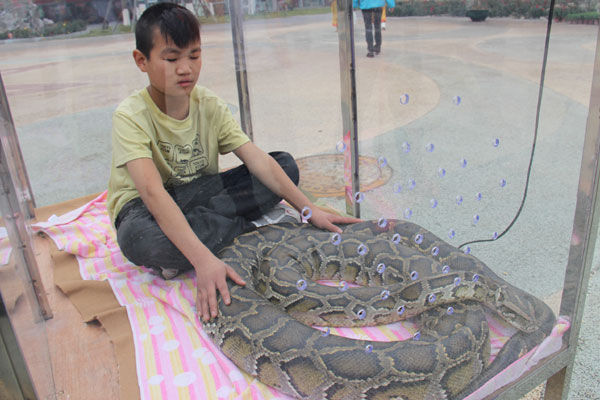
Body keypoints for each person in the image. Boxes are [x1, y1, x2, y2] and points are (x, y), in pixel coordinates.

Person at [107, 2, 360, 322]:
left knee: (284, 164)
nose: (185, 68)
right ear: (141, 61)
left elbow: (256, 158)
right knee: (138, 240)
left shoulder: (208, 103)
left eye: (194, 55)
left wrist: (308, 209)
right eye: (171, 58)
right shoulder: (131, 115)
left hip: (199, 194)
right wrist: (202, 260)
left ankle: (197, 239)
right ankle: (249, 227)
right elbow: (153, 194)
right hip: (144, 209)